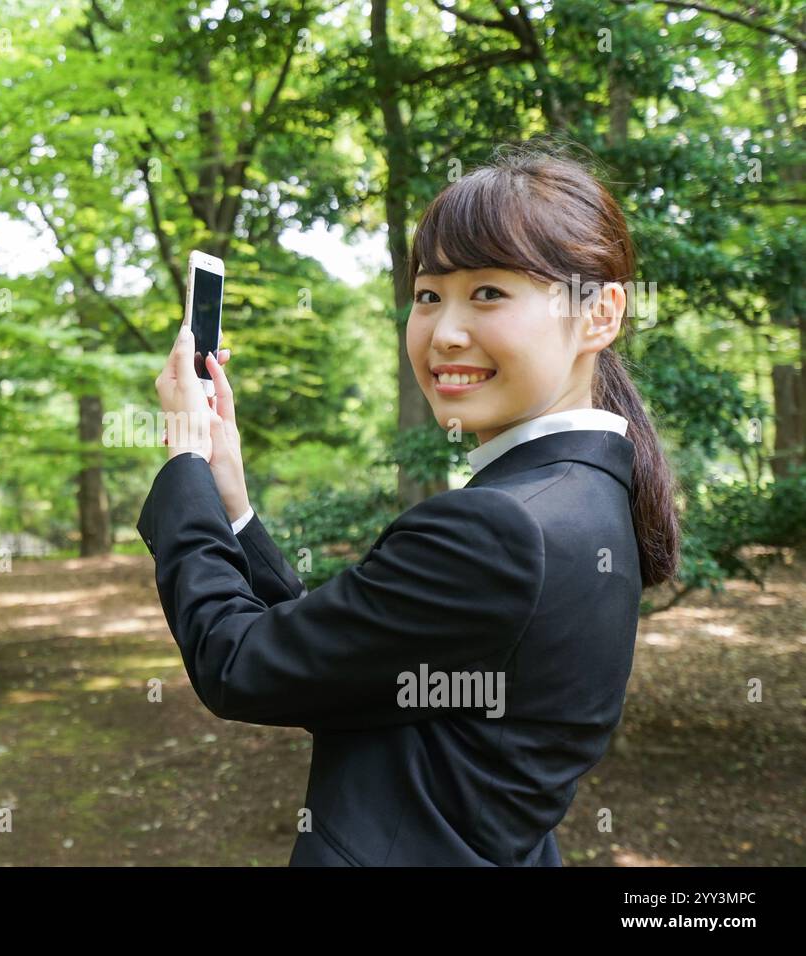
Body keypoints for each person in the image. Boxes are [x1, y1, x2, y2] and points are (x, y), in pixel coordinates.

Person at [135, 142, 681, 866]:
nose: (444, 331)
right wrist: (228, 498)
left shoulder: (498, 526)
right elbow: (342, 658)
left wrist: (182, 461)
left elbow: (238, 664)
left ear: (598, 316)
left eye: (488, 293)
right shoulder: (591, 500)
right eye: (429, 295)